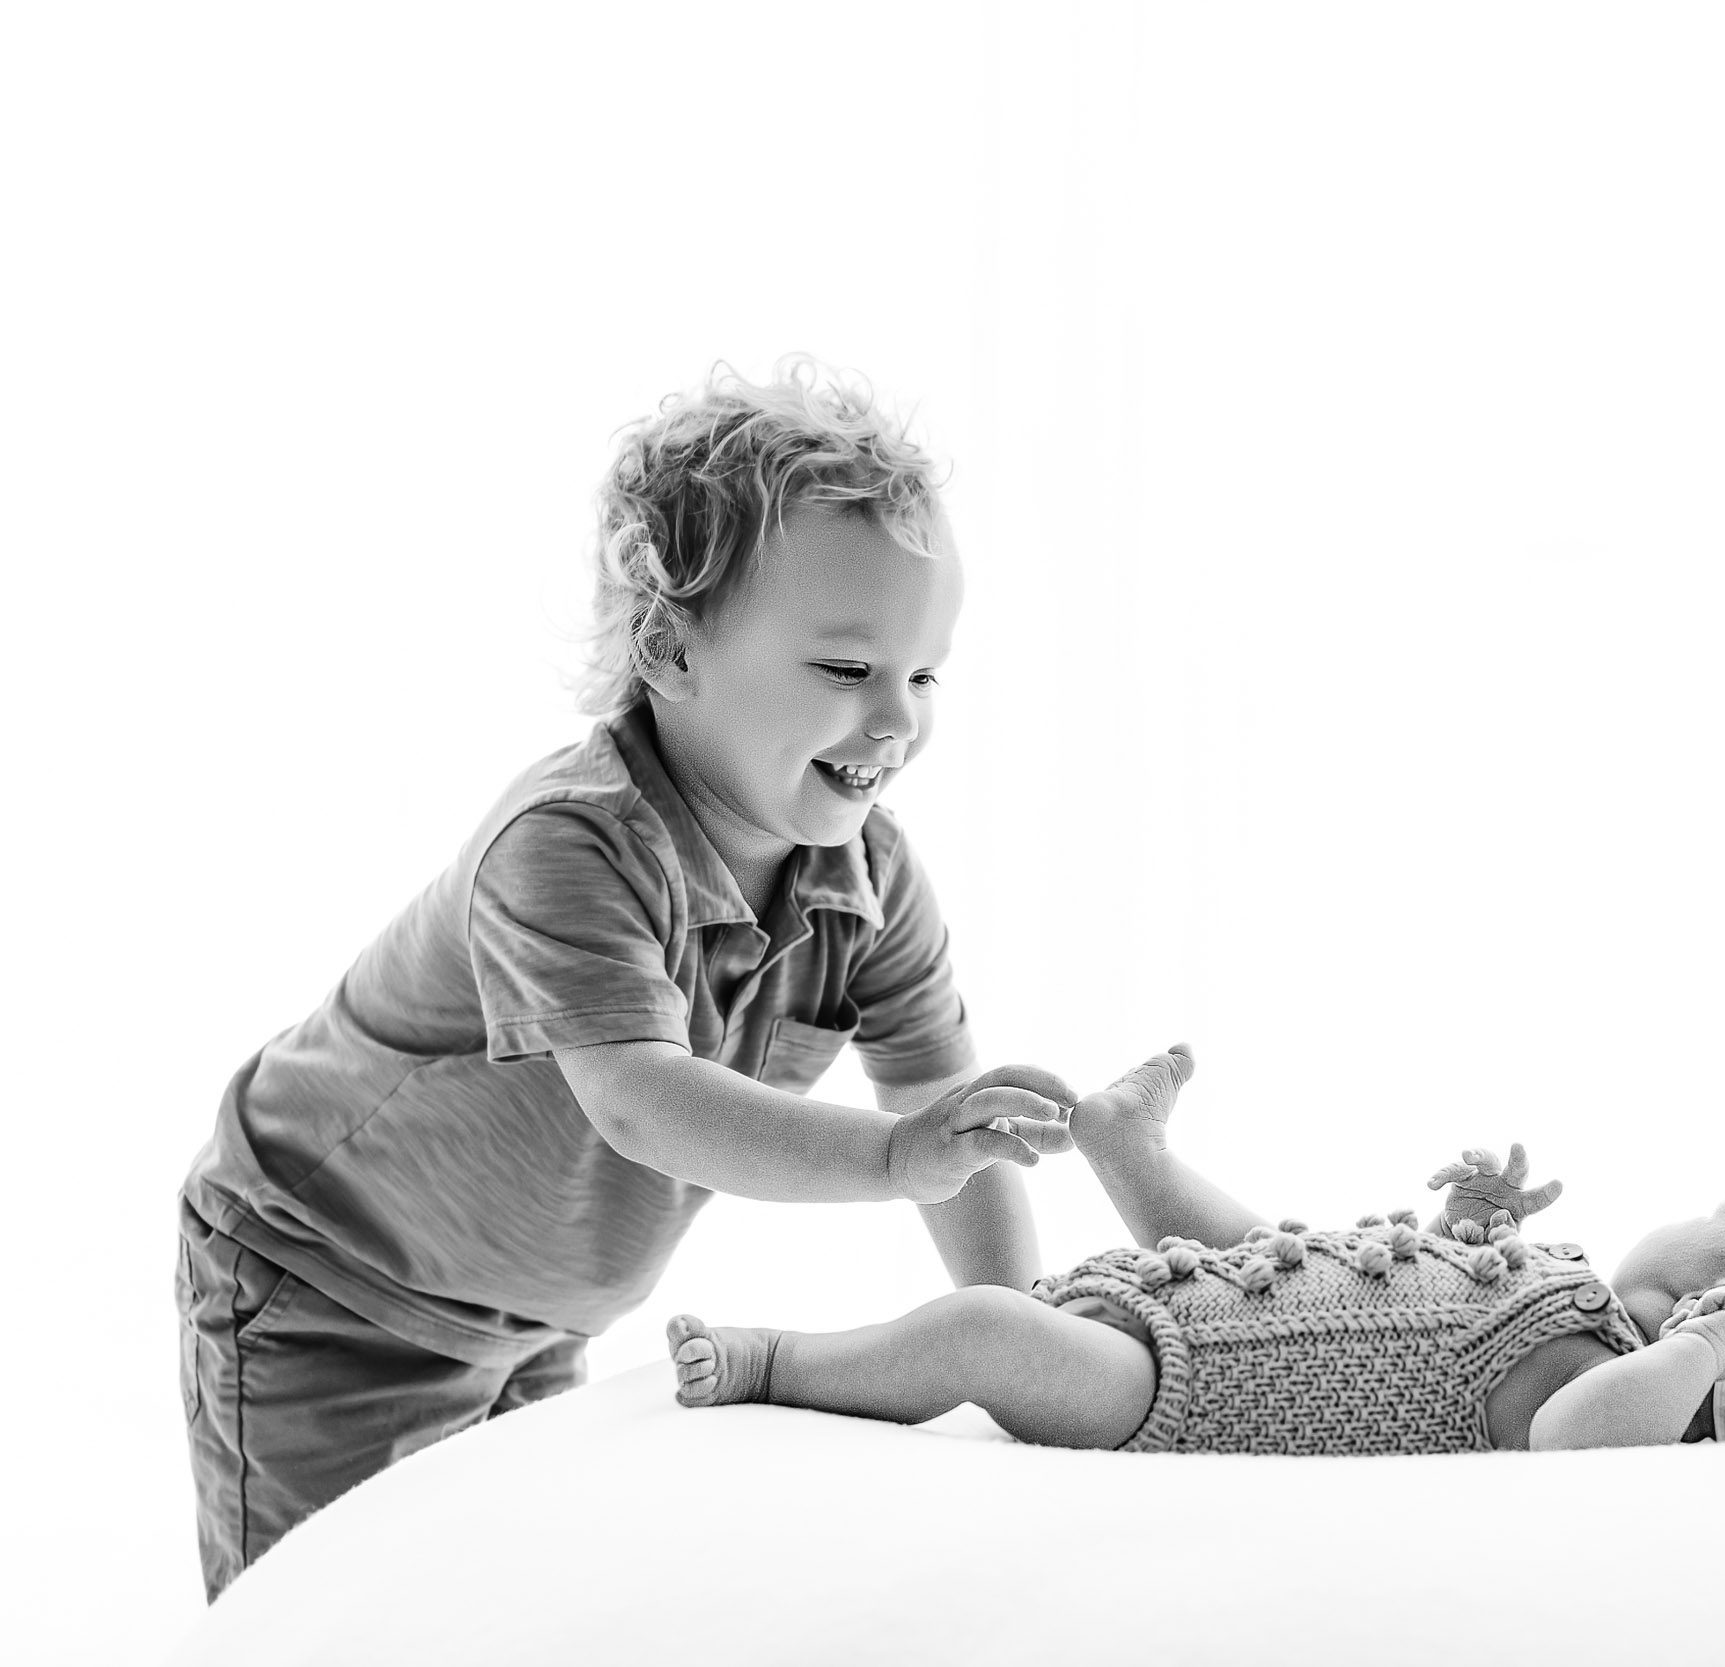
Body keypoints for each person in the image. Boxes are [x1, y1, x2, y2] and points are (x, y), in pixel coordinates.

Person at [175, 359, 1077, 1598]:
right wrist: (887, 1157)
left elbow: (948, 1113)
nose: (897, 723)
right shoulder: (572, 842)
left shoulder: (868, 879)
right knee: (327, 1614)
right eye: (845, 670)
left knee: (503, 1605)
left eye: (923, 675)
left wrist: (1026, 1338)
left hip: (535, 1316)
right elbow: (640, 1102)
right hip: (330, 1286)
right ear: (669, 647)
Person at [666, 1046, 1725, 1452]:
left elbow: (1570, 1444)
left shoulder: (1618, 1382)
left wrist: (1688, 1360)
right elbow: (1442, 1311)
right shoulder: (1569, 1307)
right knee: (1255, 1236)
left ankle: (776, 1357)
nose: (1698, 1200)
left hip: (1185, 1389)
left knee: (981, 1330)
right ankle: (1128, 1153)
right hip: (1256, 1295)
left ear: (1720, 1297)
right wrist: (1474, 1230)